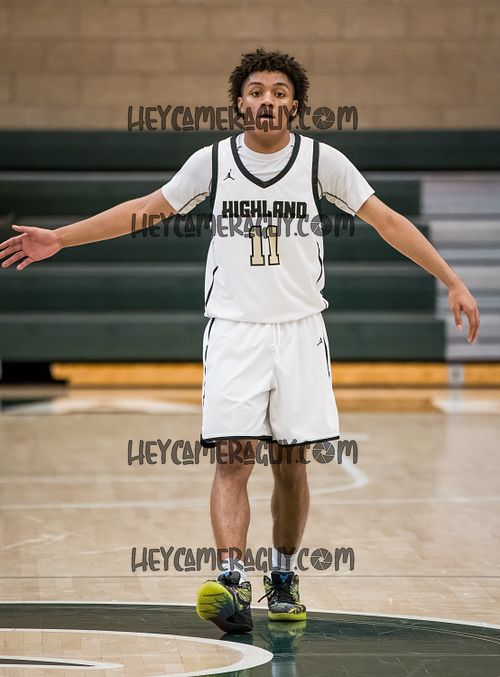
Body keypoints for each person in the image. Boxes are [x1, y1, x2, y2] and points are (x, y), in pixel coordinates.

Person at [0, 48, 480, 635]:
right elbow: (145, 210)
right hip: (233, 329)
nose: (267, 100)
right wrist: (61, 238)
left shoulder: (322, 162)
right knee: (232, 457)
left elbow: (388, 221)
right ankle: (232, 579)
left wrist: (451, 279)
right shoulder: (212, 162)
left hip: (300, 331)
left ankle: (283, 575)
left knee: (291, 464)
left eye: (279, 92)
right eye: (256, 91)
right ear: (239, 104)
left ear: (295, 106)